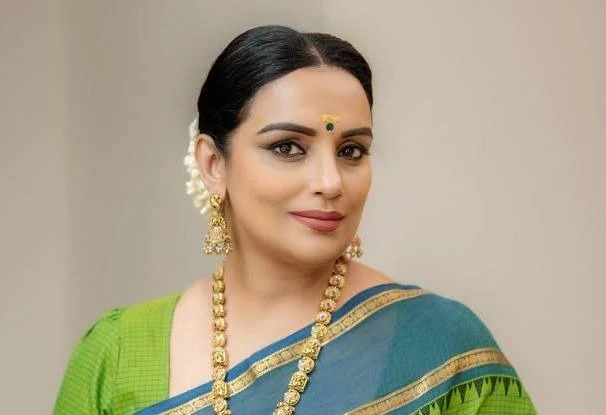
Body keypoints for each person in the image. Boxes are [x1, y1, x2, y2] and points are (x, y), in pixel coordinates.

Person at [53, 25, 538, 415]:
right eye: (288, 147)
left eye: (352, 150)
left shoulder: (440, 346)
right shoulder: (119, 352)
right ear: (213, 164)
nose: (331, 181)